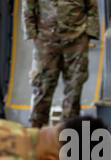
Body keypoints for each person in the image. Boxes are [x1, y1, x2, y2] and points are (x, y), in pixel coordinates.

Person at [22, 0, 100, 128]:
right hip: (46, 39)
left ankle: (69, 134)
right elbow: (28, 4)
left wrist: (90, 34)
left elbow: (91, 6)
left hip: (76, 39)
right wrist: (31, 33)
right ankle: (35, 132)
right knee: (42, 86)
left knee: (74, 87)